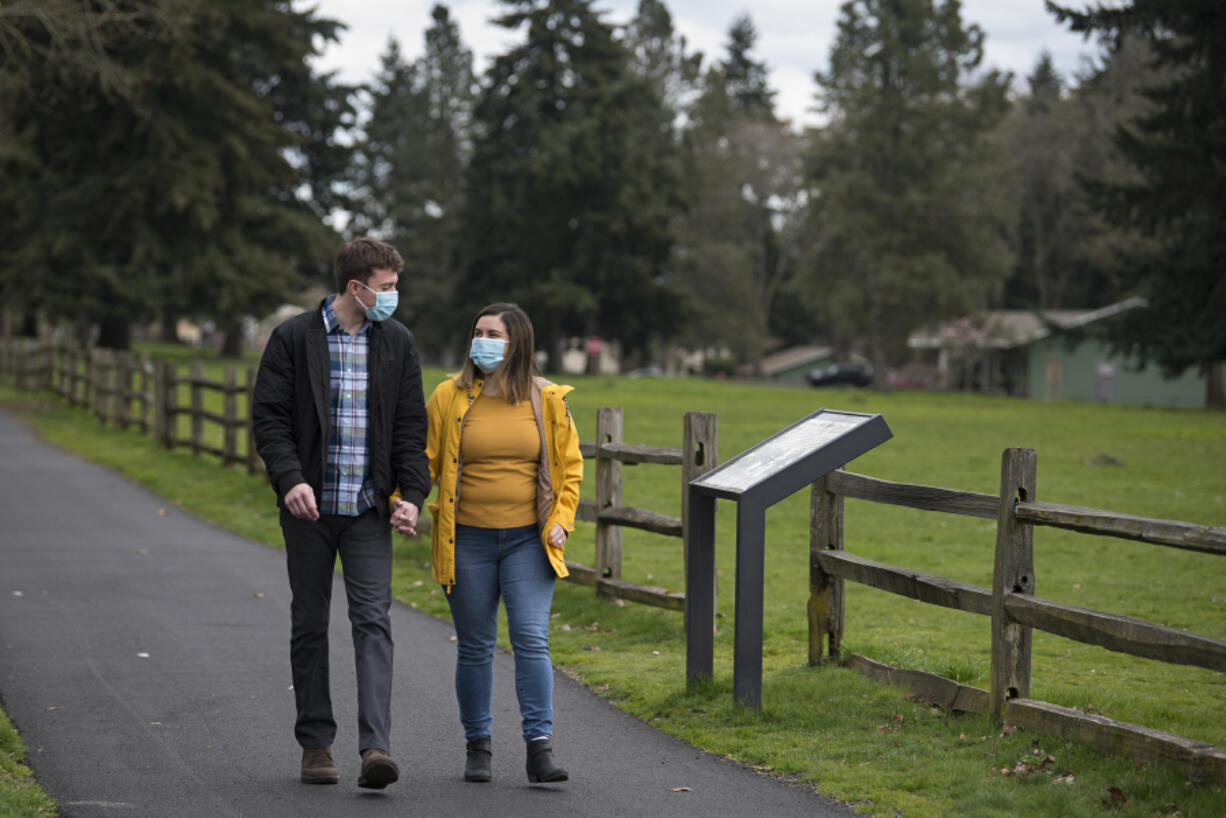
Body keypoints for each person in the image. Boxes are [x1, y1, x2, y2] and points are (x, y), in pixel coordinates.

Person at [252, 237, 430, 789]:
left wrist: (412, 496)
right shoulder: (293, 338)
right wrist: (290, 480)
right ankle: (316, 745)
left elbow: (408, 430)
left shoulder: (397, 342)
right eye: (387, 287)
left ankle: (376, 747)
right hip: (308, 512)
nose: (394, 296)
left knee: (373, 623)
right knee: (309, 623)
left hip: (367, 511)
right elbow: (270, 419)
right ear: (356, 287)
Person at [399, 302, 582, 784]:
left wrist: (562, 520)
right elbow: (425, 460)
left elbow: (570, 470)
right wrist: (406, 500)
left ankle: (539, 748)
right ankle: (477, 745)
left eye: (493, 333)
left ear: (516, 342)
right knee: (476, 645)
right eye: (478, 332)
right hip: (466, 540)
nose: (482, 340)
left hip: (529, 540)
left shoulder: (547, 400)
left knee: (530, 638)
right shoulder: (449, 396)